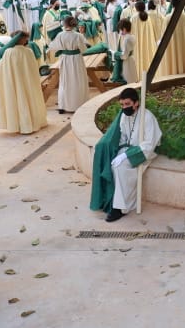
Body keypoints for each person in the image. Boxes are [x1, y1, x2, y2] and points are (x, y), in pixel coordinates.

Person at [90, 87, 162, 222]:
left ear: (136, 103)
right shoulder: (124, 116)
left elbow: (149, 145)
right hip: (127, 150)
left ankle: (121, 208)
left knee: (120, 168)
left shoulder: (147, 117)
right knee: (110, 164)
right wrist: (119, 153)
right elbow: (123, 137)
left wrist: (126, 156)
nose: (124, 107)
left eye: (127, 104)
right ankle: (114, 200)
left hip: (143, 152)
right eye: (122, 105)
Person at [0, 31, 49, 134]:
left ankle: (18, 124)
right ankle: (30, 123)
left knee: (16, 101)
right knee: (28, 100)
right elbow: (33, 69)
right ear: (22, 39)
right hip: (28, 83)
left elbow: (3, 67)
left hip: (13, 83)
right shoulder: (28, 52)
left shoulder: (8, 52)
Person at [51, 15, 90, 114]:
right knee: (78, 80)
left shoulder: (60, 35)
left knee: (65, 81)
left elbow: (54, 46)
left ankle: (63, 105)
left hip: (65, 59)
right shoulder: (78, 35)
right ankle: (79, 104)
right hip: (76, 59)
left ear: (64, 24)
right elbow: (84, 49)